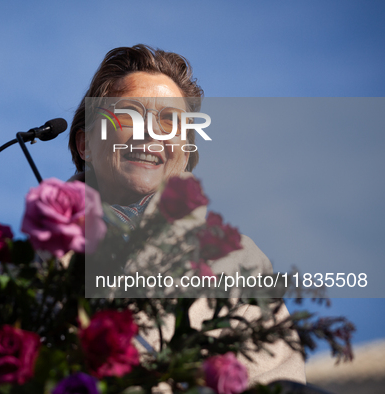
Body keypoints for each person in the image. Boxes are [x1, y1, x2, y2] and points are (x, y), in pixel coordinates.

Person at [67, 44, 306, 386]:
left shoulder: (239, 261)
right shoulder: (37, 256)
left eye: (169, 121)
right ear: (86, 142)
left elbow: (275, 383)